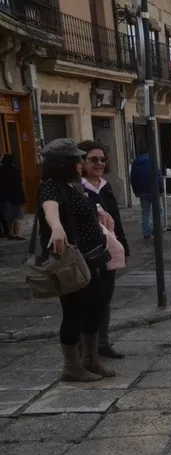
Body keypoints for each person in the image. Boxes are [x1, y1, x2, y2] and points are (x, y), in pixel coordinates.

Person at [38, 139, 115, 381]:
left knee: (94, 307)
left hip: (91, 260)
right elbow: (50, 209)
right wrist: (57, 227)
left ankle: (90, 359)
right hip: (72, 264)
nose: (81, 163)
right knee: (74, 312)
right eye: (78, 159)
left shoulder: (72, 186)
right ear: (65, 163)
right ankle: (71, 367)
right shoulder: (51, 187)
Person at [79, 140, 130, 360]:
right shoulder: (78, 188)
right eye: (93, 159)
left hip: (109, 251)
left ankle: (103, 342)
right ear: (81, 162)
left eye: (102, 159)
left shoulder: (105, 185)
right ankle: (86, 346)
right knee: (88, 300)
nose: (99, 163)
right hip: (88, 253)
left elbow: (115, 219)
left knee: (106, 297)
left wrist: (123, 246)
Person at [129, 150, 164, 239]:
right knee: (159, 211)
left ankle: (146, 233)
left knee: (145, 213)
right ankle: (157, 229)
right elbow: (158, 175)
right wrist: (161, 189)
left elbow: (132, 179)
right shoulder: (152, 160)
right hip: (154, 191)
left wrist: (136, 192)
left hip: (142, 192)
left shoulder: (135, 163)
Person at [0, 154, 26, 240]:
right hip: (15, 196)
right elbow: (18, 185)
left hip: (4, 197)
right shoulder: (15, 170)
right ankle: (19, 234)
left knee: (8, 216)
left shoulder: (1, 170)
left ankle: (10, 232)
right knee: (18, 215)